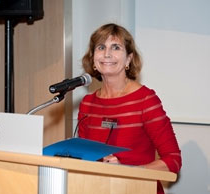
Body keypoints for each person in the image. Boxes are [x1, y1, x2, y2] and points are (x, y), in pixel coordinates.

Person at [77, 23, 182, 194]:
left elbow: (173, 161)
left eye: (116, 47)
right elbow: (85, 157)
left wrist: (128, 172)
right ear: (93, 59)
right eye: (101, 47)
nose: (107, 53)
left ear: (128, 59)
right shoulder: (88, 103)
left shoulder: (145, 100)